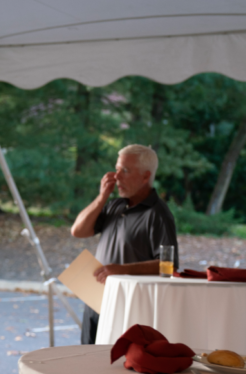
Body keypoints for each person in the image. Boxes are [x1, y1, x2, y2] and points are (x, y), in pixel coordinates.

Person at [71, 144, 178, 344]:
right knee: (86, 362)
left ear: (145, 177)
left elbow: (169, 266)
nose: (116, 176)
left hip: (128, 309)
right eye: (116, 168)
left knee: (115, 369)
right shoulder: (115, 204)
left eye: (125, 171)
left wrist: (121, 270)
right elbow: (78, 231)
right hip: (95, 301)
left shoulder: (158, 214)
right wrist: (102, 197)